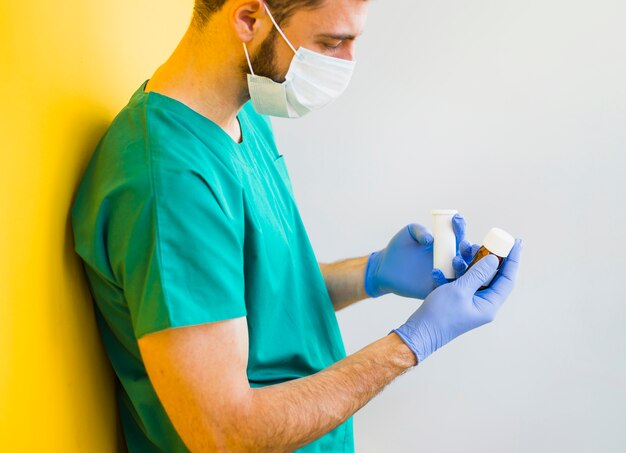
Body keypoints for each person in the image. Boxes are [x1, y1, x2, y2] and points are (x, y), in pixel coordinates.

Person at [71, 0, 523, 451]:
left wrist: (374, 272)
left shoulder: (243, 116)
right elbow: (225, 433)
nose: (348, 62)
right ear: (249, 19)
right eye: (331, 42)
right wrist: (413, 343)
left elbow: (258, 298)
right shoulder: (171, 183)